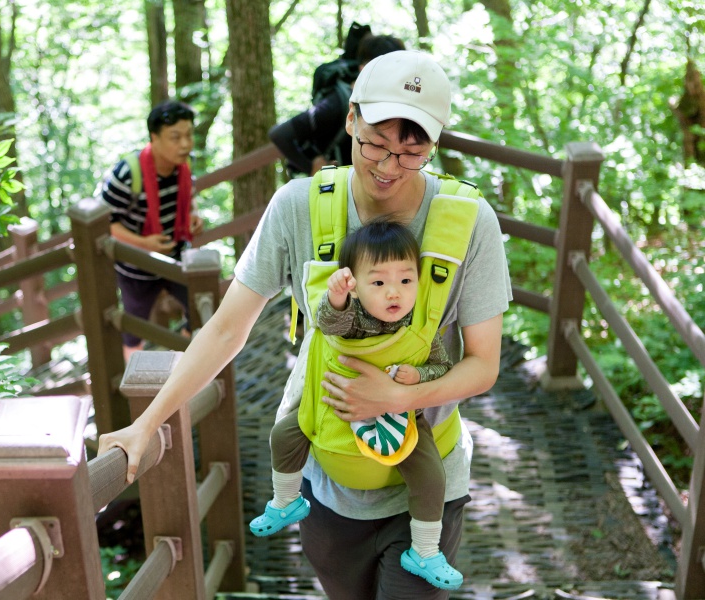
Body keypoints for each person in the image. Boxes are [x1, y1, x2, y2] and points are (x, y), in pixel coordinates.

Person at [98, 50, 513, 599]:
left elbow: (484, 364)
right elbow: (226, 329)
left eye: (411, 152)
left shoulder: (468, 222)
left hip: (425, 482)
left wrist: (393, 397)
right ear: (349, 119)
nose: (389, 167)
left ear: (434, 145)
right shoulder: (298, 207)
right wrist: (146, 424)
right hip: (326, 472)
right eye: (375, 145)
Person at [248, 217, 461, 590]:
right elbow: (328, 324)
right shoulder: (352, 317)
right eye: (378, 282)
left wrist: (419, 377)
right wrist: (336, 298)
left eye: (405, 280)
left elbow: (442, 366)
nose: (393, 293)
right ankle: (286, 499)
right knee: (284, 434)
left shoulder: (421, 325)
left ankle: (425, 550)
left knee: (430, 473)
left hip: (401, 414)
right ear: (357, 287)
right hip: (333, 404)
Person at [97, 100, 205, 361]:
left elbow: (187, 200)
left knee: (199, 308)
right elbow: (105, 223)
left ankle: (182, 367)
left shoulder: (183, 167)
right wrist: (144, 244)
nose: (185, 144)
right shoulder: (127, 174)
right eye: (175, 137)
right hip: (137, 266)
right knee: (135, 328)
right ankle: (134, 385)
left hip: (176, 254)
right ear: (154, 138)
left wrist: (193, 216)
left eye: (189, 135)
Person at [268, 33, 406, 177]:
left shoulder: (392, 107)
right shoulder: (337, 103)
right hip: (334, 192)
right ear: (363, 68)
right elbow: (279, 134)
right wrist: (312, 168)